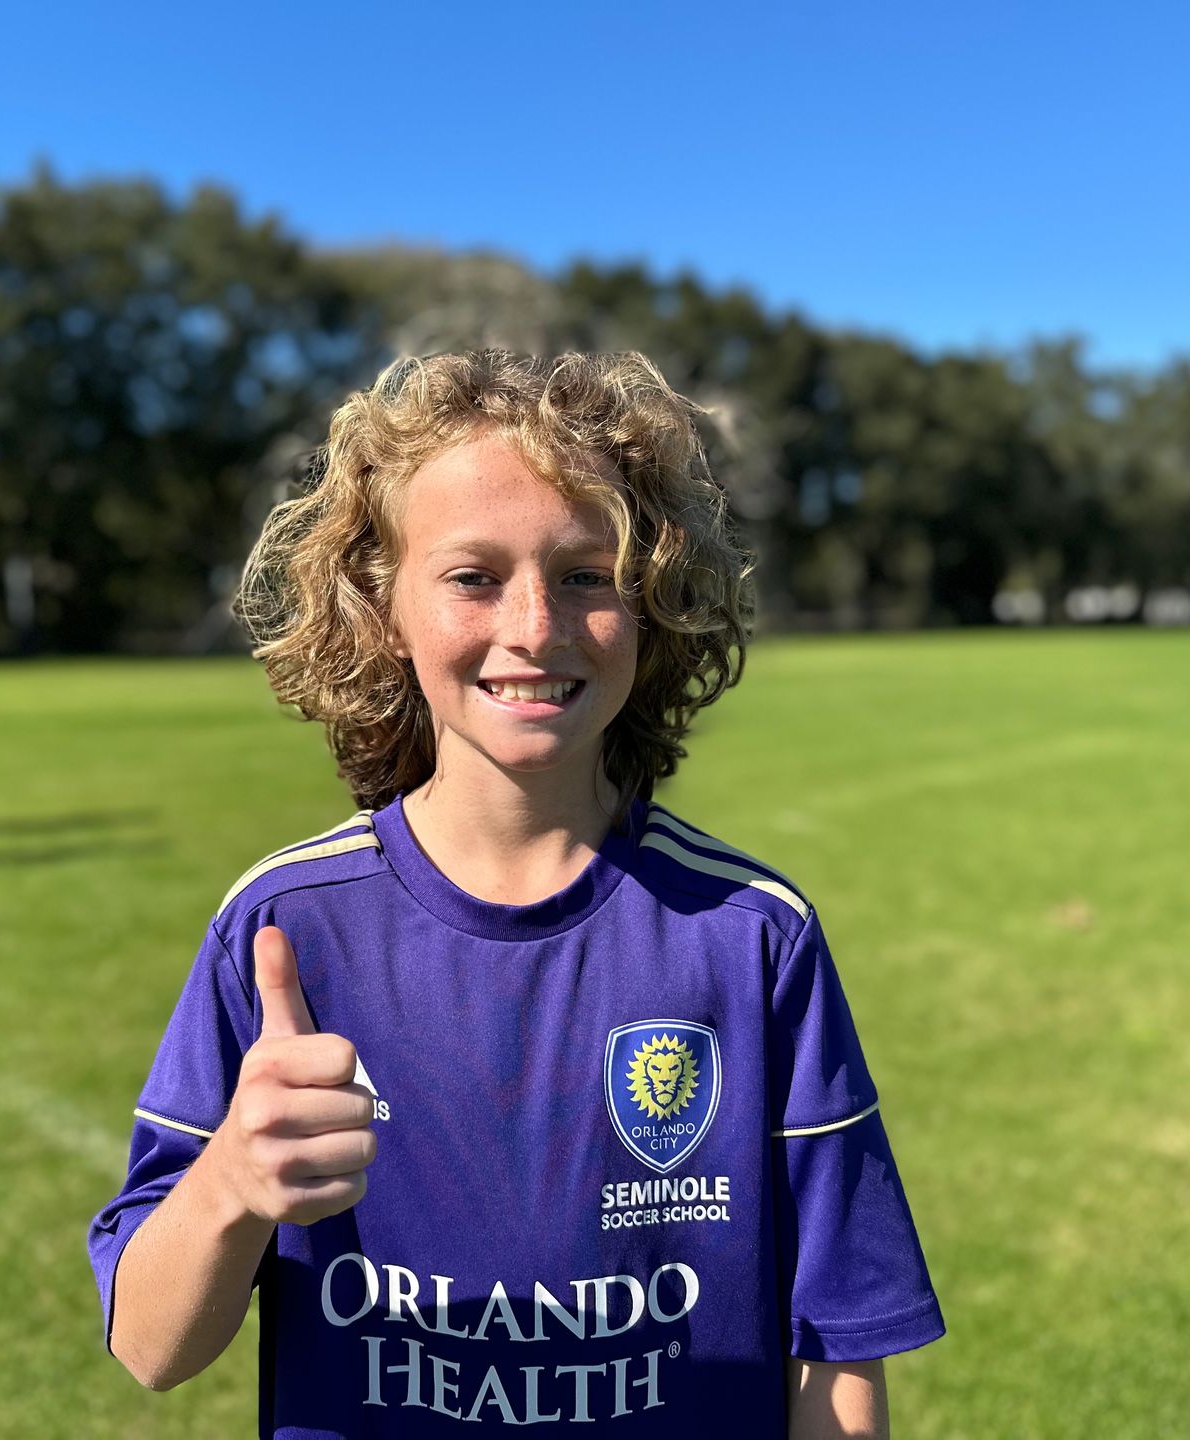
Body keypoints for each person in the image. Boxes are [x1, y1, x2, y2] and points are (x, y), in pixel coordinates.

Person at [88, 351, 944, 1437]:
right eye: (472, 576)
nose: (534, 627)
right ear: (379, 605)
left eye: (587, 574)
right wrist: (232, 1183)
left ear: (654, 602)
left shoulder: (751, 935)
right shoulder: (283, 930)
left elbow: (836, 1354)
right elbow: (152, 1348)